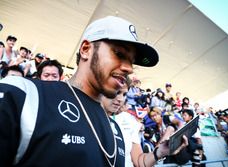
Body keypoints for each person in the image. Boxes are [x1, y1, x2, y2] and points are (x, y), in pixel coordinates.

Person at [0, 16, 160, 167]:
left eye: (132, 62)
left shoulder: (115, 129)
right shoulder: (22, 95)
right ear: (85, 49)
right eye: (119, 54)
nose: (129, 68)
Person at [101, 79, 188, 167]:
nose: (120, 99)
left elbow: (139, 162)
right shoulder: (89, 117)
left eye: (124, 94)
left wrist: (160, 152)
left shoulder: (127, 119)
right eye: (116, 92)